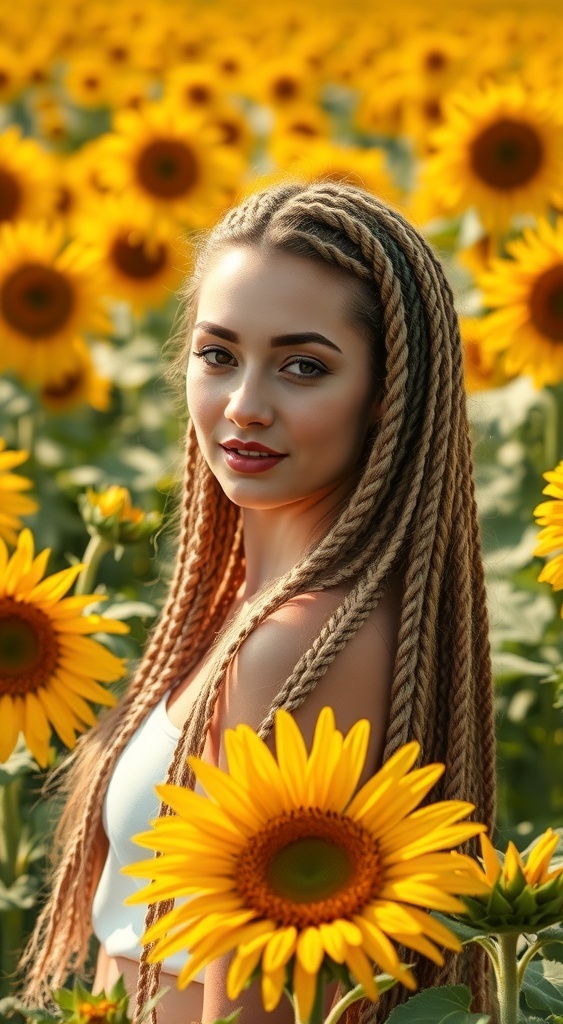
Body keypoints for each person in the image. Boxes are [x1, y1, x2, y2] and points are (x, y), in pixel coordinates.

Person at [20, 180, 495, 1024]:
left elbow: (258, 1004)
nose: (244, 405)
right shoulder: (247, 606)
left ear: (389, 395)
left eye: (303, 366)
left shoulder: (302, 644)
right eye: (219, 354)